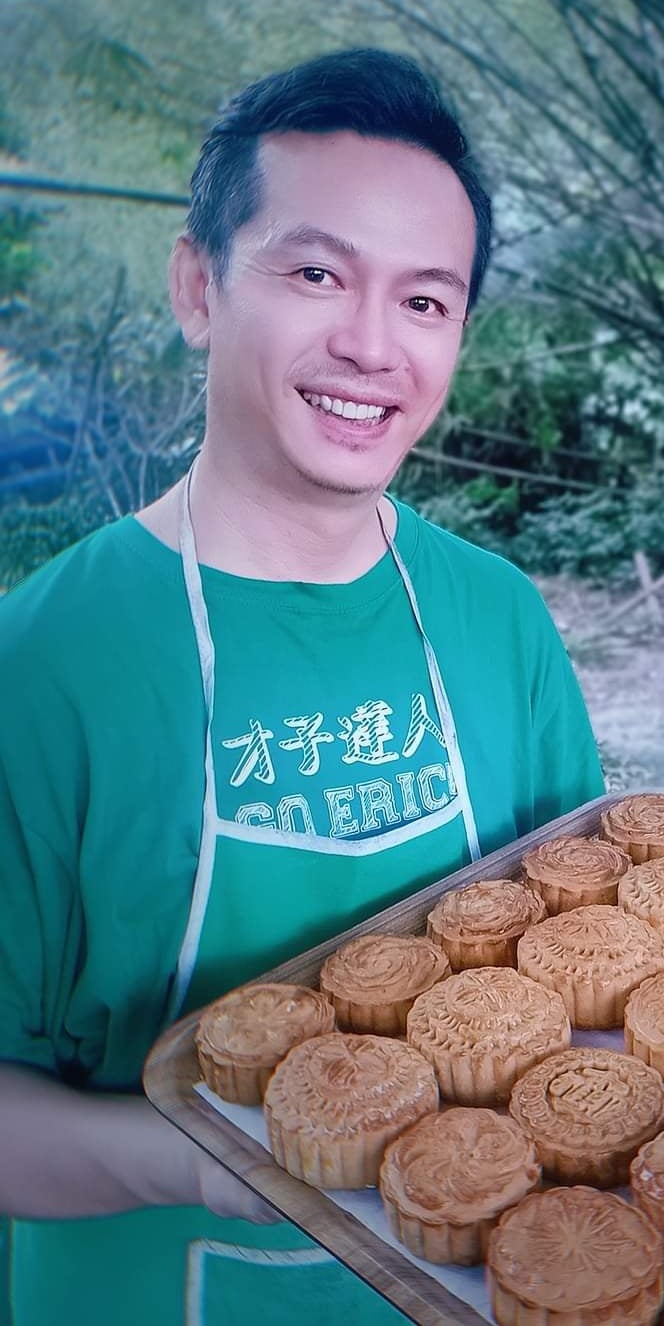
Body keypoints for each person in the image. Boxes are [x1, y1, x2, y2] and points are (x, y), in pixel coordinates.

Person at [0, 48, 604, 1326]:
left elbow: (584, 971)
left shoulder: (499, 620)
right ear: (199, 284)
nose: (372, 346)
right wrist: (209, 1166)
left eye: (427, 302)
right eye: (319, 273)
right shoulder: (45, 666)